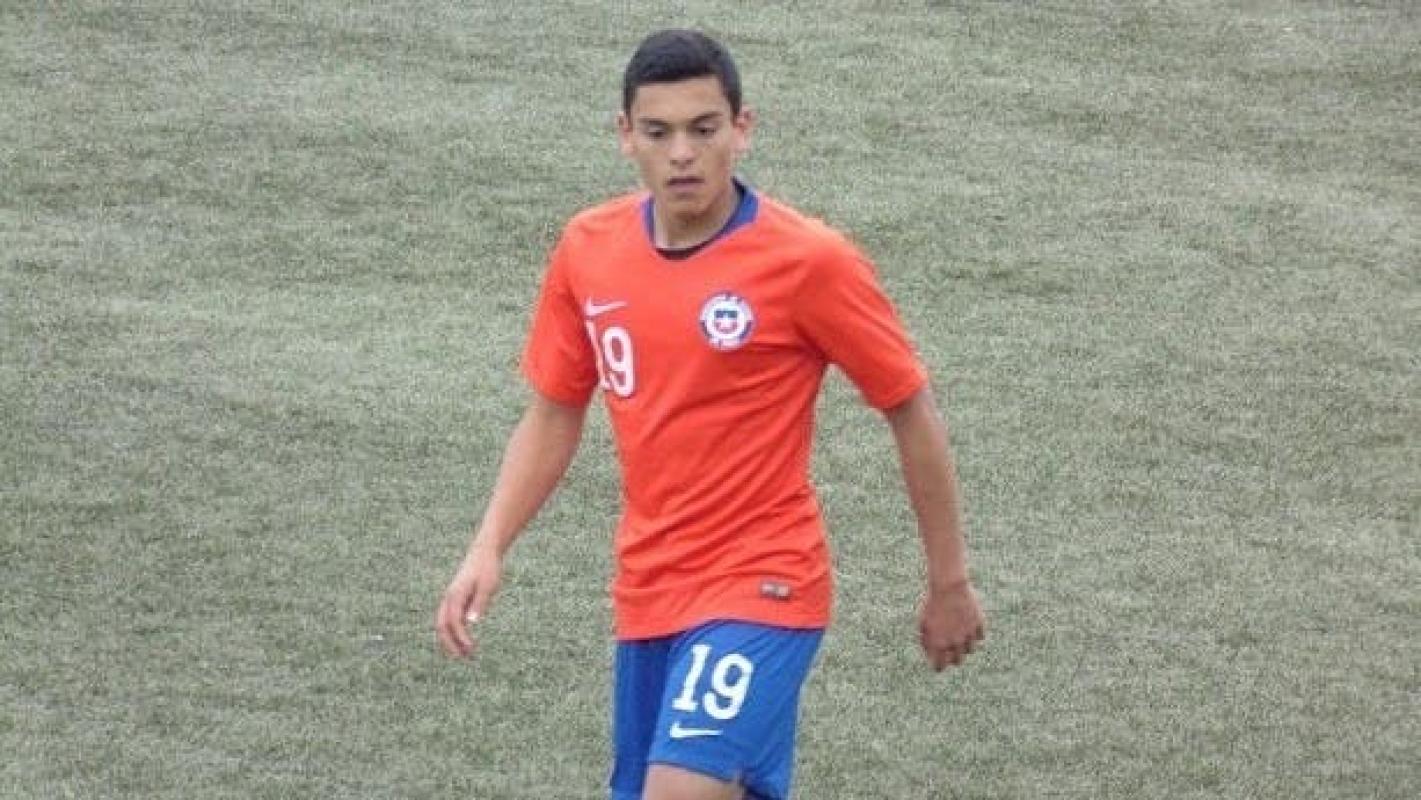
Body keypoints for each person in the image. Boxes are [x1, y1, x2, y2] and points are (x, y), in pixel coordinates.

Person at [435, 28, 985, 800]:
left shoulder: (809, 261)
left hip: (764, 582)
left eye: (703, 129)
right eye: (658, 132)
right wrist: (488, 546)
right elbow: (555, 412)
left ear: (741, 127)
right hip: (647, 590)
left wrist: (948, 581)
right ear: (625, 136)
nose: (682, 154)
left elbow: (909, 408)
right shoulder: (588, 249)